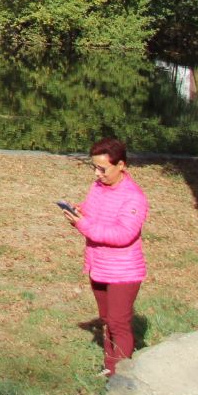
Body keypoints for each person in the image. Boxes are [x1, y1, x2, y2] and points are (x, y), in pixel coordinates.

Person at [63, 136, 148, 376]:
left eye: (102, 169)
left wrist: (84, 225)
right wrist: (79, 212)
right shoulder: (98, 187)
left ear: (121, 165)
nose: (97, 174)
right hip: (99, 266)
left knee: (118, 322)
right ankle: (110, 367)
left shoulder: (134, 198)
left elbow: (123, 234)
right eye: (95, 168)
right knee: (106, 319)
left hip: (124, 271)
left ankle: (120, 374)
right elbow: (92, 213)